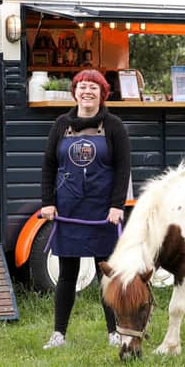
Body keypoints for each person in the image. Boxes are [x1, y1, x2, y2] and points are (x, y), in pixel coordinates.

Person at [40, 69, 131, 349]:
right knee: (67, 275)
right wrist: (48, 202)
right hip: (68, 210)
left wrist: (117, 205)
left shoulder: (114, 125)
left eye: (93, 87)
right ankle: (59, 335)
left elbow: (122, 168)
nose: (87, 91)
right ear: (75, 93)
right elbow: (49, 166)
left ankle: (114, 332)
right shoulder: (61, 124)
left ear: (102, 94)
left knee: (107, 273)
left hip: (102, 212)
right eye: (82, 87)